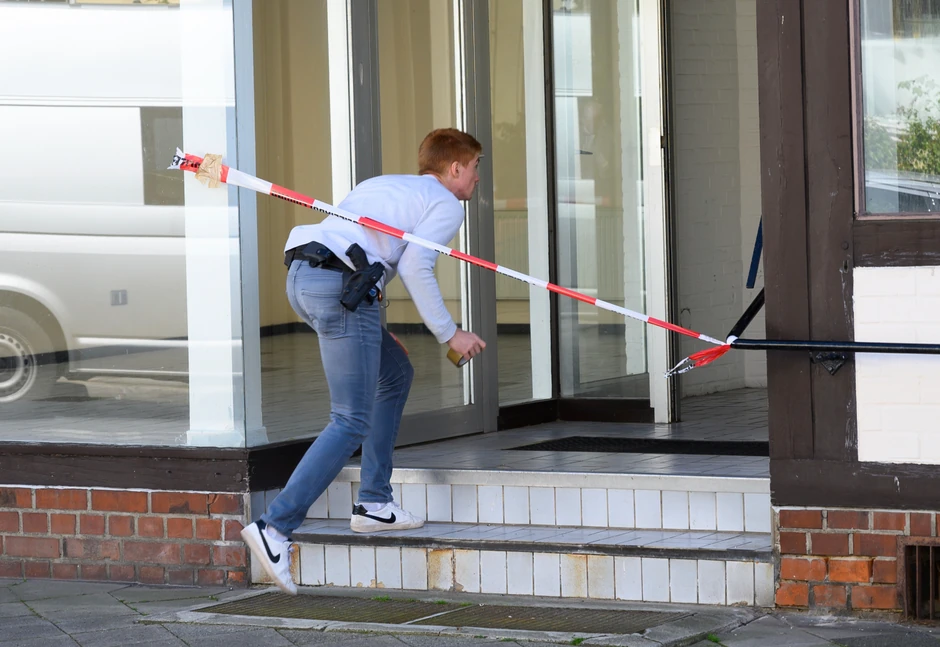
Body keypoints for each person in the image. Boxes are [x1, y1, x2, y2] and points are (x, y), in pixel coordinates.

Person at [241, 128, 487, 595]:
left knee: (394, 374)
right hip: (341, 289)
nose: (477, 178)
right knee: (350, 419)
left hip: (305, 279)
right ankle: (274, 528)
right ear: (455, 168)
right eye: (475, 168)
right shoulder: (445, 202)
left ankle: (374, 503)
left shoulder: (383, 185)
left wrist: (374, 325)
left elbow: (360, 245)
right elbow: (415, 265)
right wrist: (450, 333)